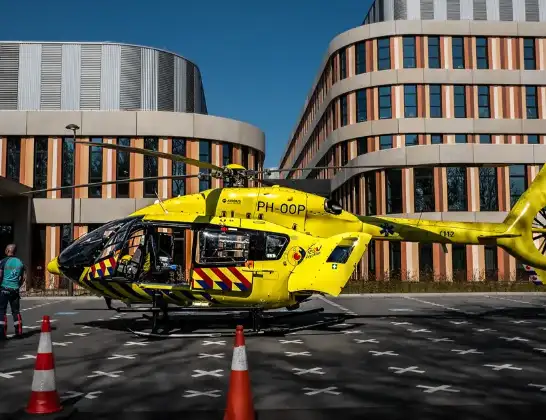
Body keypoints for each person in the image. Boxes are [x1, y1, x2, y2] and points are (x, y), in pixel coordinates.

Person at [0, 244, 26, 339]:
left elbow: (0, 276)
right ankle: (19, 332)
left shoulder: (3, 262)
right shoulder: (20, 262)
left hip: (4, 289)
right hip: (15, 290)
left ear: (7, 250)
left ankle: (2, 333)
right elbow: (23, 278)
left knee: (1, 311)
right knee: (16, 311)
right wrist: (17, 285)